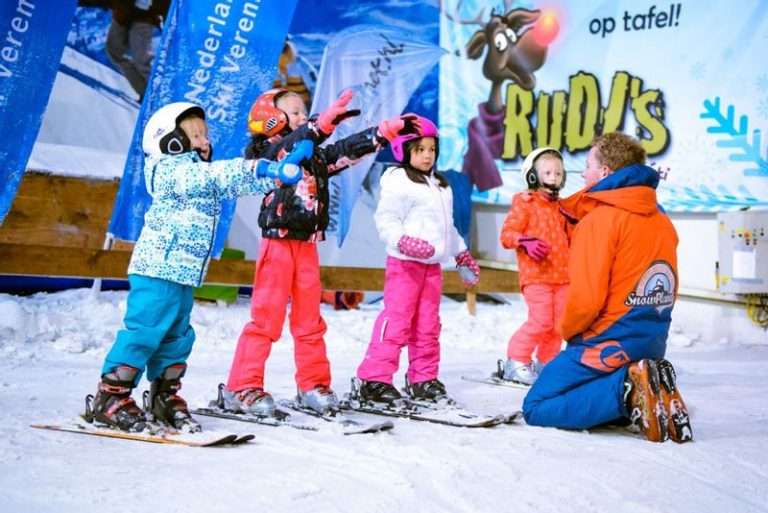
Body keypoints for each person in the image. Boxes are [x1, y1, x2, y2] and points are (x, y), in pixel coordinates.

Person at [84, 101, 308, 433]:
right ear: (171, 141)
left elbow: (231, 182)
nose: (205, 141)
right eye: (196, 135)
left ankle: (164, 395)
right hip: (158, 270)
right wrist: (260, 169)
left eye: (205, 134)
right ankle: (111, 397)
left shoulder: (203, 173)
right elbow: (214, 175)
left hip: (184, 273)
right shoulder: (169, 171)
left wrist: (274, 173)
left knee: (177, 337)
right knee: (145, 332)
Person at [222, 89, 417, 415]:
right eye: (294, 112)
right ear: (271, 119)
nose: (303, 117)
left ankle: (312, 384)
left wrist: (382, 133)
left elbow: (342, 152)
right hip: (278, 244)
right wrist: (319, 125)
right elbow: (286, 147)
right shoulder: (269, 154)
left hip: (307, 245)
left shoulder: (312, 154)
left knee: (309, 320)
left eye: (304, 112)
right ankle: (242, 385)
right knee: (265, 320)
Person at [522, 132, 692, 443]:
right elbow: (670, 284)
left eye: (587, 165)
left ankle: (629, 392)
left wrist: (567, 330)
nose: (583, 173)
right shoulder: (661, 219)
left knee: (537, 405)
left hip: (605, 346)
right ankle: (642, 384)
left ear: (604, 173)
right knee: (579, 389)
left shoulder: (600, 220)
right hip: (651, 346)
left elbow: (586, 300)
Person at [354, 116, 481, 405]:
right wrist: (403, 241)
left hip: (432, 268)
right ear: (404, 150)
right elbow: (386, 219)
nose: (427, 155)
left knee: (428, 325)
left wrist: (460, 253)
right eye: (420, 149)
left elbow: (447, 227)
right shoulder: (398, 181)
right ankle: (375, 379)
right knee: (396, 321)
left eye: (432, 149)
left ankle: (423, 378)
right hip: (405, 266)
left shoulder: (440, 185)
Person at [498, 147, 569, 385]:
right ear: (532, 176)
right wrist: (523, 241)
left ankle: (547, 362)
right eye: (547, 172)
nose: (554, 177)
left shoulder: (562, 208)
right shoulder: (525, 203)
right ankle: (516, 360)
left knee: (558, 325)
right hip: (536, 275)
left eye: (558, 173)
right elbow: (507, 234)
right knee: (540, 320)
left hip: (563, 276)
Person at [105, 0, 171, 100]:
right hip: (123, 12)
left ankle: (156, 97)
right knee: (114, 51)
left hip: (145, 17)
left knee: (142, 61)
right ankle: (146, 93)